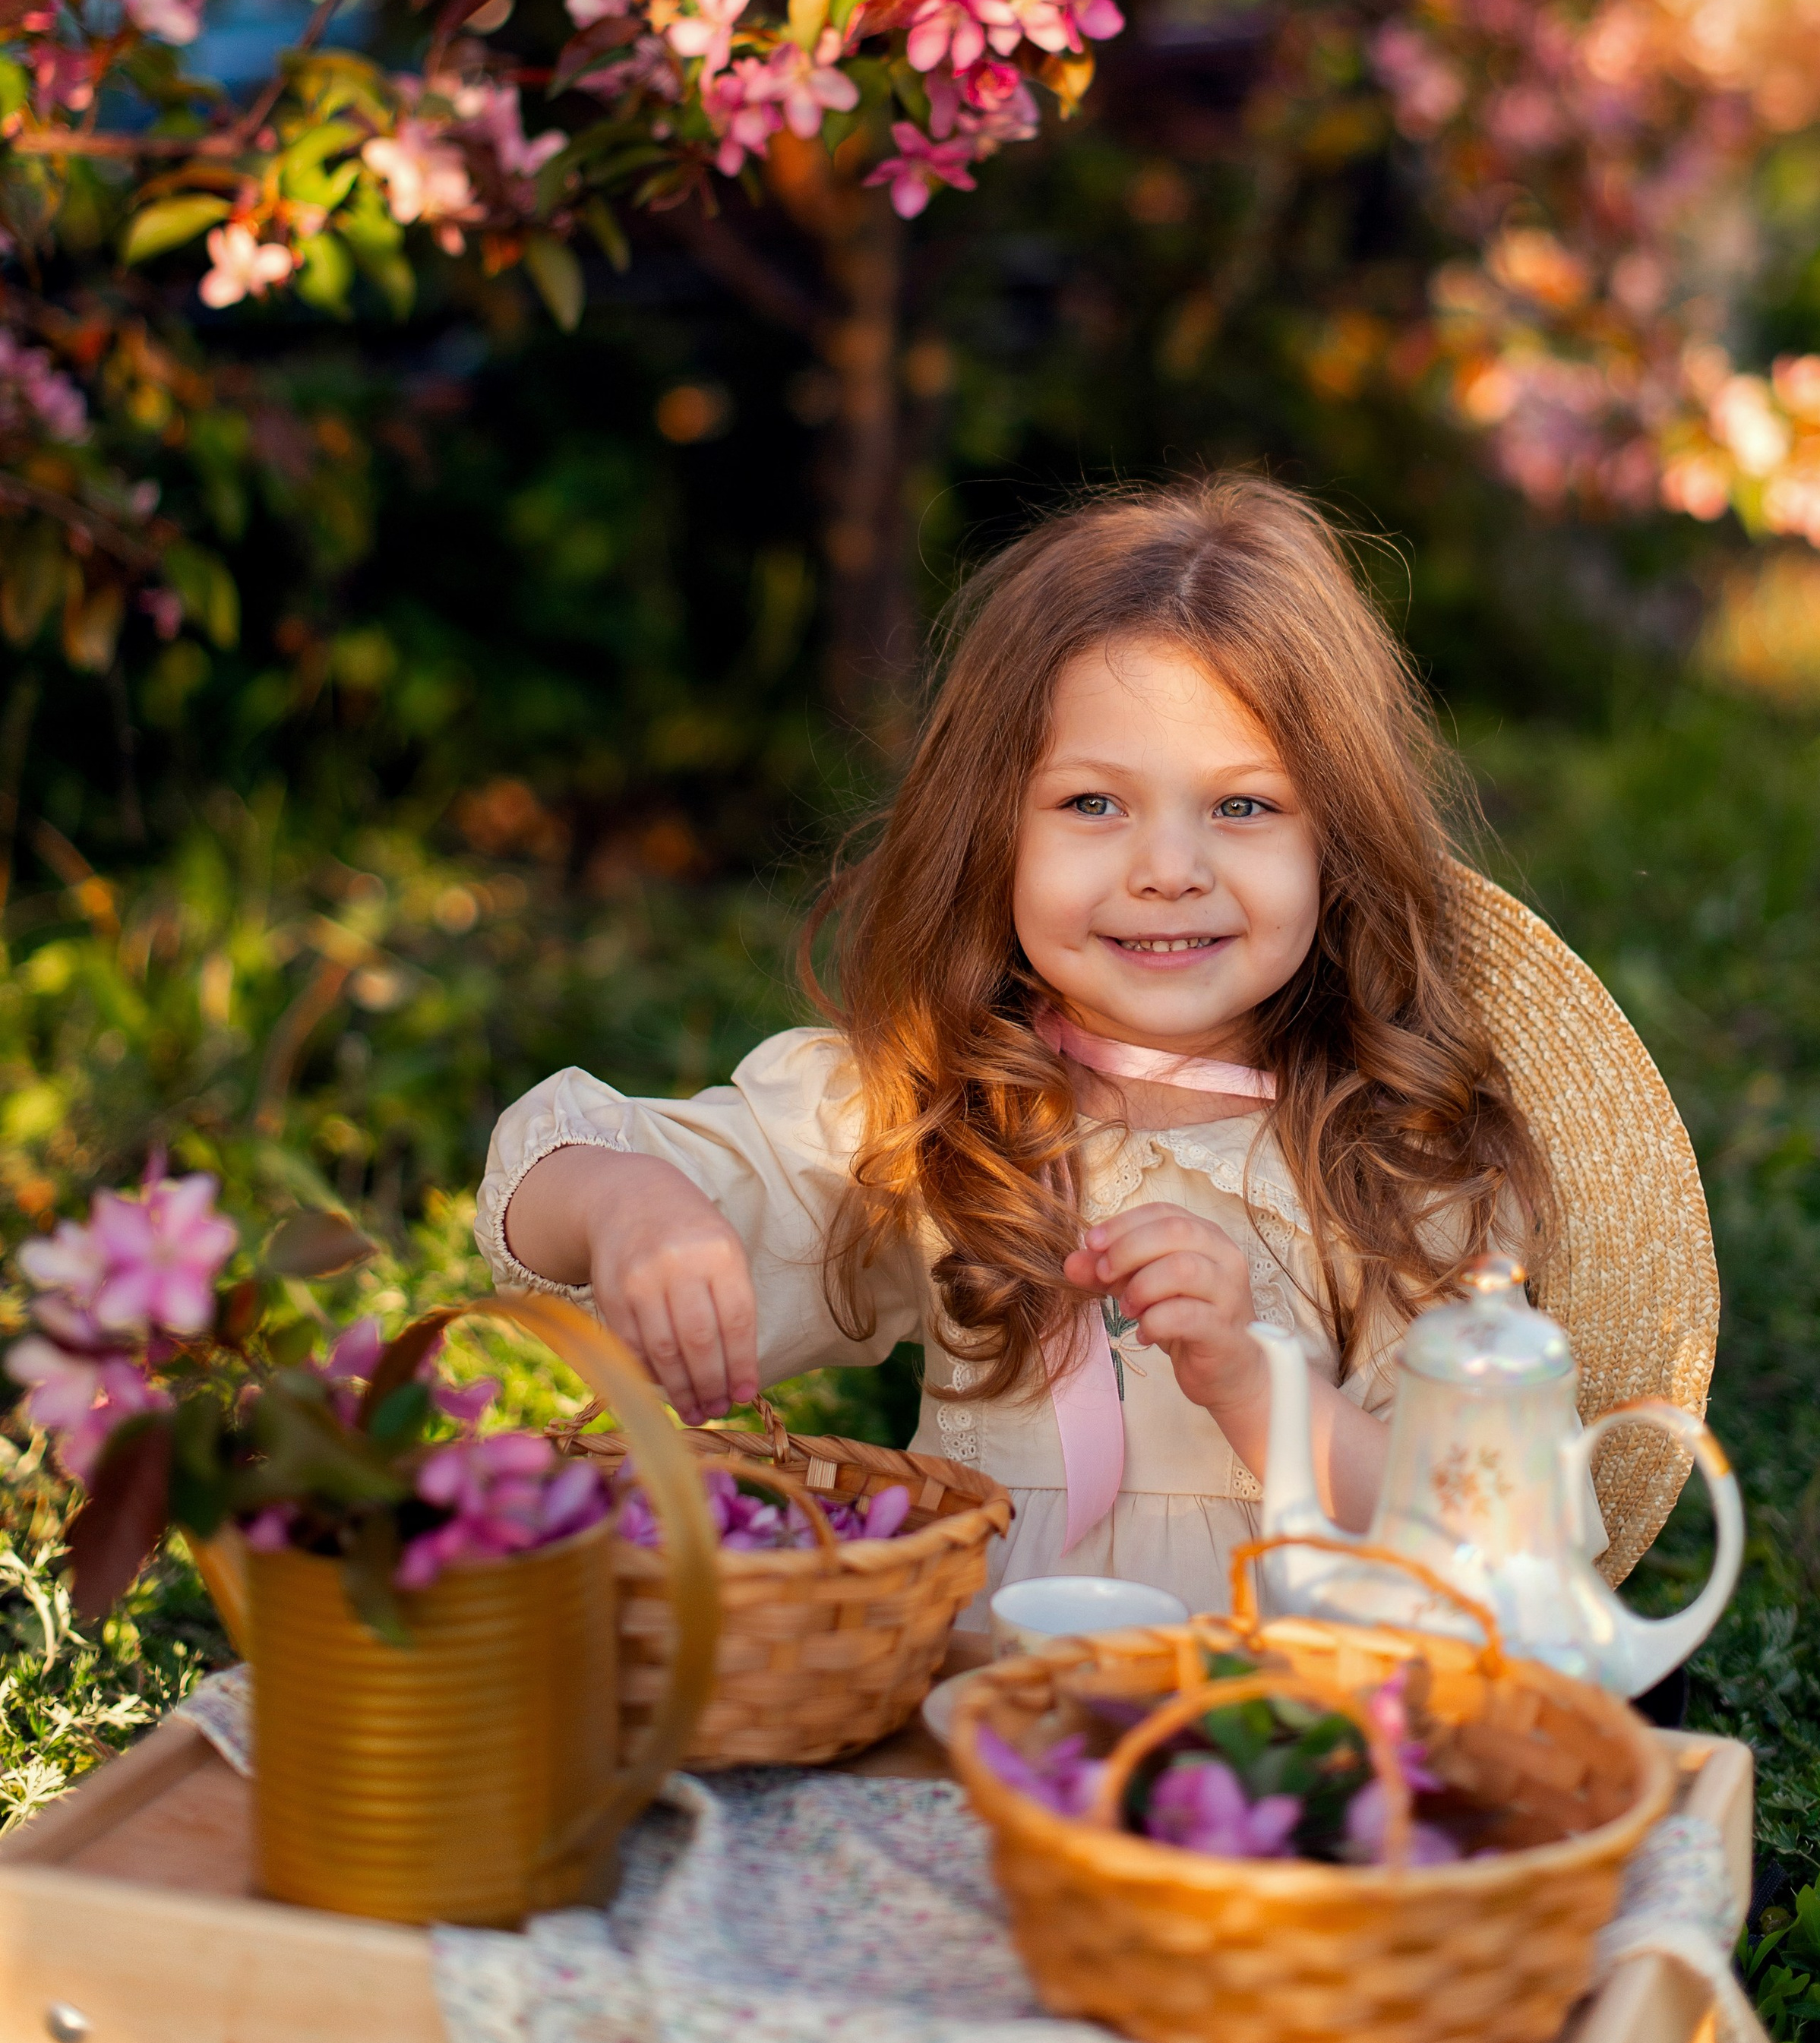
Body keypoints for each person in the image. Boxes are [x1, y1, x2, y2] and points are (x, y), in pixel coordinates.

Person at [476, 476, 1556, 1615]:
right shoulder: (933, 1105)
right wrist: (630, 1205)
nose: (1168, 867)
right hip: (976, 1698)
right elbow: (549, 1176)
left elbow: (1482, 1534)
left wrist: (1252, 1380)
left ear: (1337, 841)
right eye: (1094, 804)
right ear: (992, 831)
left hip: (1270, 1729)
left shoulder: (1396, 1157)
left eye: (1243, 807)